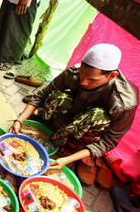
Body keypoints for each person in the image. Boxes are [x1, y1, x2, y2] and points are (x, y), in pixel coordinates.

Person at [9, 43, 139, 189]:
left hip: (87, 126)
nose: (83, 82)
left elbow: (109, 141)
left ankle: (79, 149)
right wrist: (19, 120)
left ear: (112, 76)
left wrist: (67, 160)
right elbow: (42, 95)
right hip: (71, 113)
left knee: (97, 116)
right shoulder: (75, 72)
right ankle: (51, 125)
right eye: (83, 75)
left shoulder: (124, 102)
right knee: (57, 97)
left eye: (92, 80)